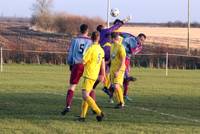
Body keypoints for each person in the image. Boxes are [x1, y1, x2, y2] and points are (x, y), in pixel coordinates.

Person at [61, 24, 92, 115]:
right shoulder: (90, 41)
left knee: (72, 86)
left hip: (77, 65)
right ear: (87, 31)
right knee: (89, 88)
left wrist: (70, 63)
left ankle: (68, 106)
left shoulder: (75, 40)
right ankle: (93, 108)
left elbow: (71, 52)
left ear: (80, 30)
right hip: (87, 66)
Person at [78, 31, 105, 122]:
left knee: (85, 95)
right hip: (95, 74)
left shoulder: (91, 49)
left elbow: (84, 61)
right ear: (99, 39)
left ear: (91, 38)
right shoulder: (101, 49)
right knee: (87, 95)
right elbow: (102, 63)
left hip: (89, 74)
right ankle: (82, 116)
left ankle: (99, 112)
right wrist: (102, 74)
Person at [121, 33, 146, 101]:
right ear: (137, 37)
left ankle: (124, 94)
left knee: (125, 79)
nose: (141, 41)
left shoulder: (139, 46)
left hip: (127, 59)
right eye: (141, 39)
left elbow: (133, 53)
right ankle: (114, 94)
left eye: (143, 41)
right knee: (123, 78)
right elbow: (132, 51)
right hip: (122, 58)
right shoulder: (133, 40)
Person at [110, 32, 126, 108]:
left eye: (110, 38)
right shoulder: (112, 46)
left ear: (113, 38)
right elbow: (113, 57)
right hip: (112, 69)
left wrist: (118, 71)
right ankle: (119, 102)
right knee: (114, 86)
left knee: (116, 86)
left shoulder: (120, 47)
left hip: (119, 69)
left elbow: (123, 61)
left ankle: (122, 103)